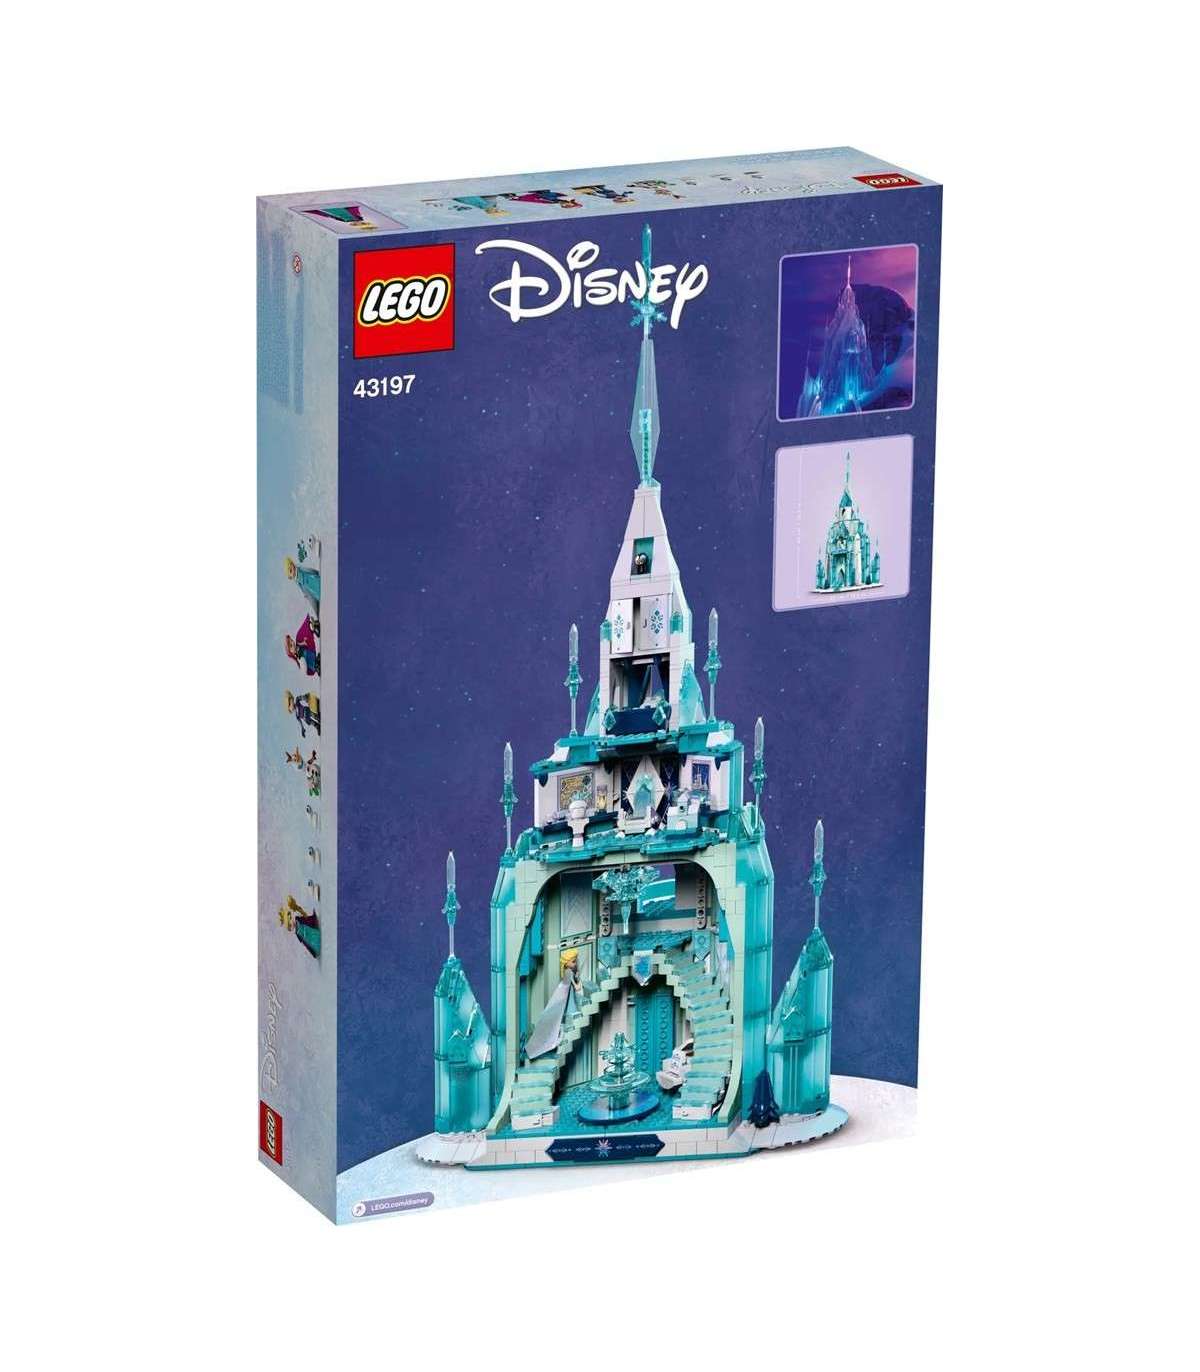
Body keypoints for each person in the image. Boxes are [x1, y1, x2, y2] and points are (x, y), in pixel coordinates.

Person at [524, 949, 586, 1059]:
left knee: (559, 1019)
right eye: (573, 961)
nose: (575, 963)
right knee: (560, 1019)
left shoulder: (567, 972)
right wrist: (579, 983)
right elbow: (577, 987)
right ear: (566, 963)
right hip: (566, 998)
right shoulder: (568, 973)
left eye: (575, 961)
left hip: (565, 997)